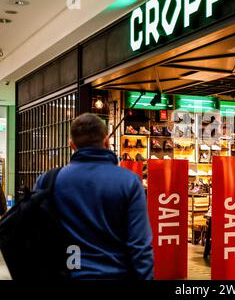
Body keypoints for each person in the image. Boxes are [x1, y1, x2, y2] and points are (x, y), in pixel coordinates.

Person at [34, 113, 153, 280]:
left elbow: (35, 237)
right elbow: (139, 244)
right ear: (106, 141)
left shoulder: (47, 181)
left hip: (65, 272)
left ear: (71, 145)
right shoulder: (129, 182)